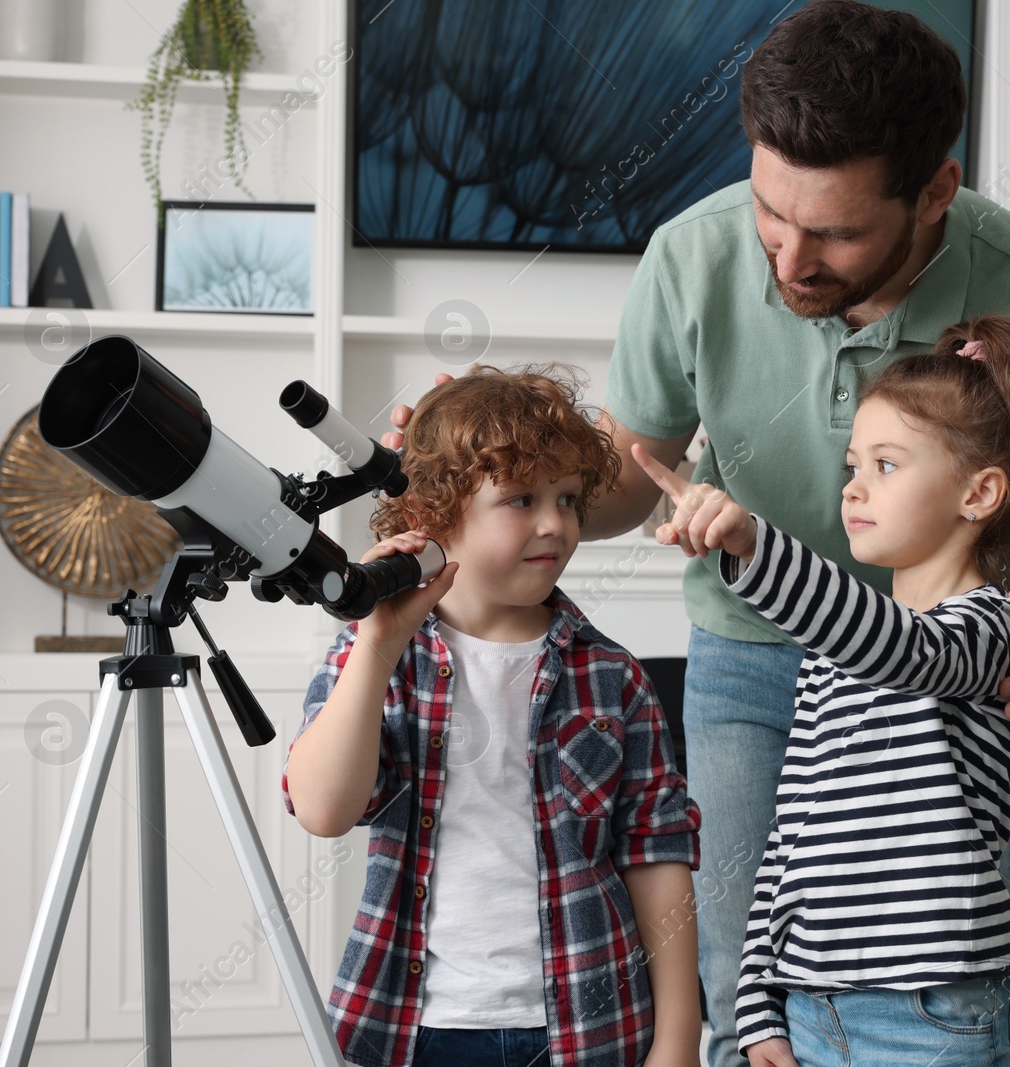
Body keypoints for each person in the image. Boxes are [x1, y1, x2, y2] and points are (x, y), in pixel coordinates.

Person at [387, 5, 1010, 1064]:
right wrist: (495, 469)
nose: (787, 256)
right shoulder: (690, 256)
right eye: (770, 213)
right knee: (753, 1001)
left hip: (966, 681)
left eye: (831, 232)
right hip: (756, 667)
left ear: (934, 192)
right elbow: (622, 483)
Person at [633, 315, 1010, 1067]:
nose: (854, 486)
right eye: (853, 464)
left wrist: (754, 545)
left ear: (980, 492)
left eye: (887, 465)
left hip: (934, 1015)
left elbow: (905, 649)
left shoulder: (993, 629)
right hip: (812, 1009)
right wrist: (757, 1002)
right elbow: (788, 841)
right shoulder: (834, 657)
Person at [284, 364, 705, 1067]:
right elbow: (323, 809)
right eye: (520, 499)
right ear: (432, 516)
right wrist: (376, 643)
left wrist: (679, 1037)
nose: (556, 523)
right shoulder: (377, 658)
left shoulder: (613, 677)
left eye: (569, 498)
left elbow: (657, 857)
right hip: (421, 1030)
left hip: (592, 1026)